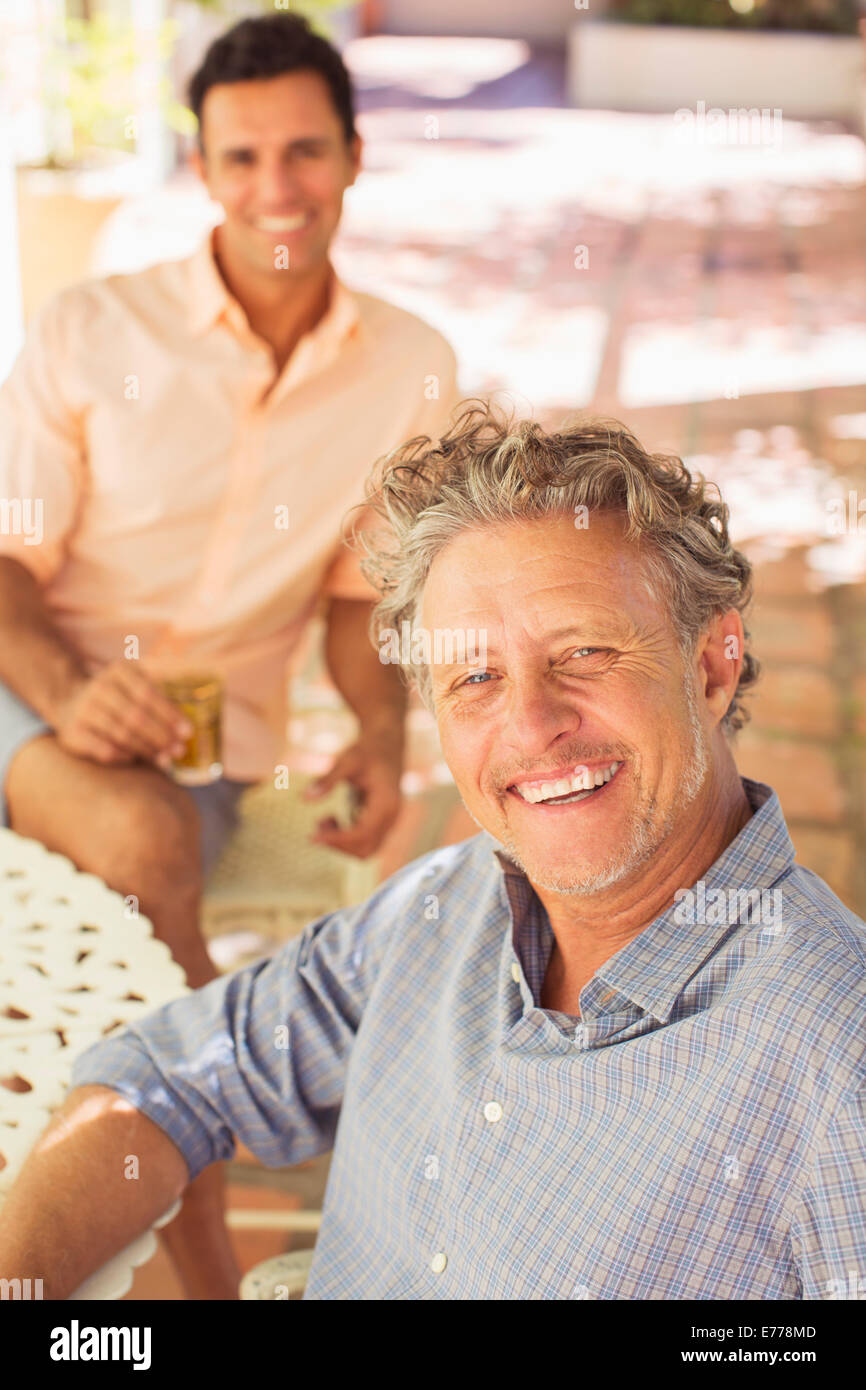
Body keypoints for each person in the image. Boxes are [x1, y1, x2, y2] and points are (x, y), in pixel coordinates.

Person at [2, 401, 863, 1300]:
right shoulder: (441, 908)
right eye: (476, 678)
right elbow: (165, 1079)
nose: (531, 725)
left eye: (585, 652)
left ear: (713, 664)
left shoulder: (838, 1061)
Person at [0, 12, 458, 1299]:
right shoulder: (93, 332)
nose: (275, 189)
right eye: (241, 157)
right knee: (136, 863)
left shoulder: (410, 369)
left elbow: (356, 598)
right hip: (21, 683)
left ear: (355, 159)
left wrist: (382, 735)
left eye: (303, 153)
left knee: (146, 847)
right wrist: (68, 690)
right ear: (200, 168)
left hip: (185, 763)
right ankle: (201, 1277)